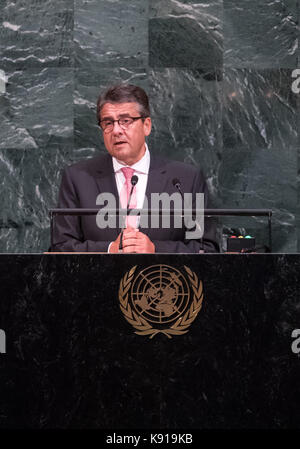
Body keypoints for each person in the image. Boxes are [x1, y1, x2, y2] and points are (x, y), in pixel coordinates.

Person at [52, 84, 219, 253]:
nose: (116, 130)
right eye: (108, 123)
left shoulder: (186, 179)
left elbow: (205, 247)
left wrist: (155, 250)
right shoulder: (78, 178)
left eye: (125, 121)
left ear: (146, 125)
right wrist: (110, 249)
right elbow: (60, 247)